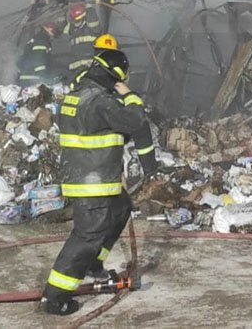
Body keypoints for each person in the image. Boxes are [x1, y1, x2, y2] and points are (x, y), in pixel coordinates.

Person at [41, 48, 157, 316]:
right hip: (92, 180)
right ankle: (55, 298)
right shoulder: (101, 102)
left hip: (89, 175)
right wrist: (129, 96)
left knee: (120, 208)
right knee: (87, 236)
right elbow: (135, 120)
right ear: (115, 76)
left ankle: (94, 265)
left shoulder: (77, 96)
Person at [62, 3, 103, 80]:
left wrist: (89, 7)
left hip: (90, 65)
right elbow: (63, 32)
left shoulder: (93, 26)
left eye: (78, 20)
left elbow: (93, 21)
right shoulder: (71, 28)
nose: (75, 23)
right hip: (75, 67)